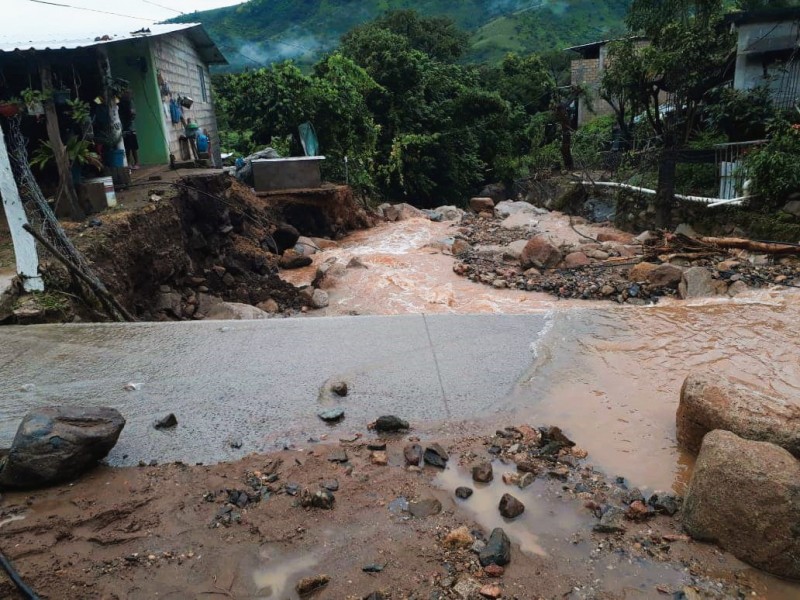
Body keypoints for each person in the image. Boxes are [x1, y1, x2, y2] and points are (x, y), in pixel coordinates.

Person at [118, 90, 139, 170]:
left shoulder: (130, 103)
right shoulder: (120, 103)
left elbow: (133, 114)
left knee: (133, 147)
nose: (125, 95)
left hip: (131, 128)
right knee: (127, 147)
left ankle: (136, 162)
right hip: (124, 128)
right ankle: (129, 163)